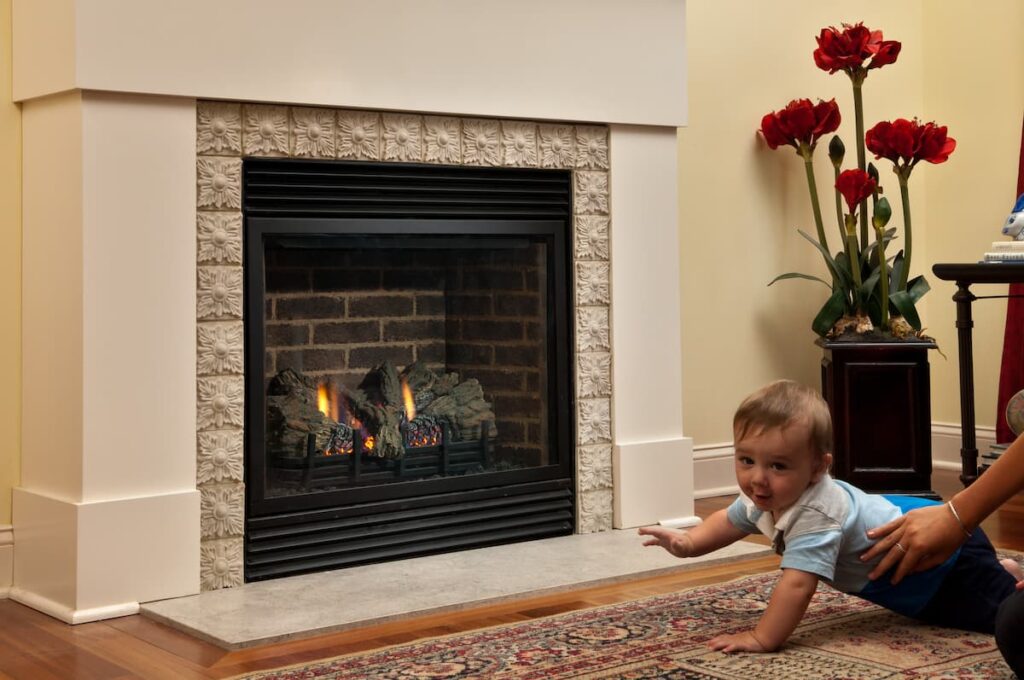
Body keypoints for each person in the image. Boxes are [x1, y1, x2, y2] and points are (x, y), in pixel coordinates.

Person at [639, 379, 1021, 653]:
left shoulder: (816, 512)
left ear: (819, 468)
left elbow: (797, 585)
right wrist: (688, 543)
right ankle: (1002, 570)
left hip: (943, 564)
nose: (758, 478)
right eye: (746, 460)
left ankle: (1002, 580)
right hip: (933, 541)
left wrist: (762, 637)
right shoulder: (766, 497)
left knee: (993, 615)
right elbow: (731, 519)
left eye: (778, 466)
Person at [861, 430, 1024, 676]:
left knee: (1008, 618)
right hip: (950, 535)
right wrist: (957, 516)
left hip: (956, 556)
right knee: (1015, 624)